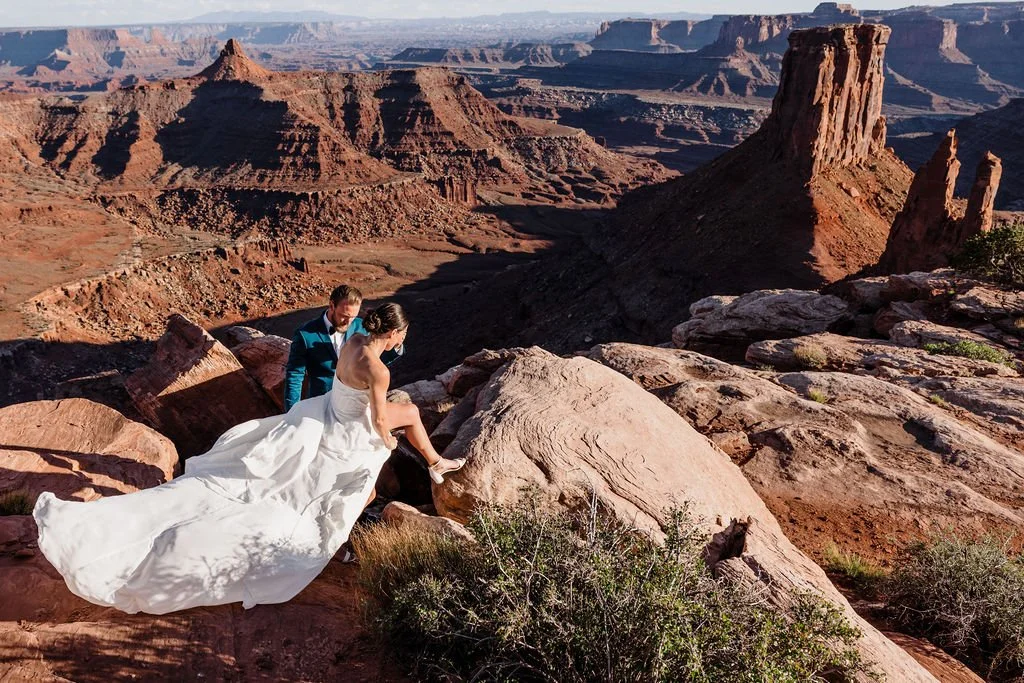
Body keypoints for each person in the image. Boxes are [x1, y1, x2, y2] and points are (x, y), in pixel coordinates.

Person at [32, 303, 465, 615]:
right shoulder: (380, 370)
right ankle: (399, 494)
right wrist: (388, 443)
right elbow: (377, 416)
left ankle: (430, 465)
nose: (403, 343)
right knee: (353, 482)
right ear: (396, 334)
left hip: (325, 411)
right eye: (403, 338)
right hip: (343, 430)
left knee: (372, 466)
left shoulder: (354, 340)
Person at [283, 284, 403, 412]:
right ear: (331, 306)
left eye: (353, 317)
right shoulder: (304, 334)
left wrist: (395, 346)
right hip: (321, 405)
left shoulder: (362, 327)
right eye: (344, 316)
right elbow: (295, 376)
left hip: (355, 404)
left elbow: (373, 362)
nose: (349, 322)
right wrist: (292, 412)